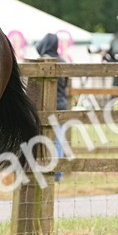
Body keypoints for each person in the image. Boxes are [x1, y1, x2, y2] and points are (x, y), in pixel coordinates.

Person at [35, 32, 71, 181]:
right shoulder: (62, 61)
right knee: (59, 140)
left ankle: (44, 169)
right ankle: (58, 172)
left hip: (45, 107)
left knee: (43, 139)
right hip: (61, 104)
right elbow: (67, 84)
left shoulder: (41, 62)